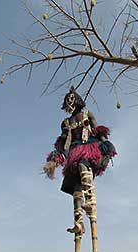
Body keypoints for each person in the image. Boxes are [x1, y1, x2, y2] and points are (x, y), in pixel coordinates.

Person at [44, 86, 117, 235]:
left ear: (77, 101)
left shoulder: (87, 115)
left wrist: (106, 148)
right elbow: (64, 144)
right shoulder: (66, 123)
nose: (69, 106)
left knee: (83, 164)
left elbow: (98, 132)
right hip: (74, 154)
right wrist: (55, 160)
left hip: (89, 149)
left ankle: (90, 201)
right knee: (76, 187)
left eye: (71, 102)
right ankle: (79, 222)